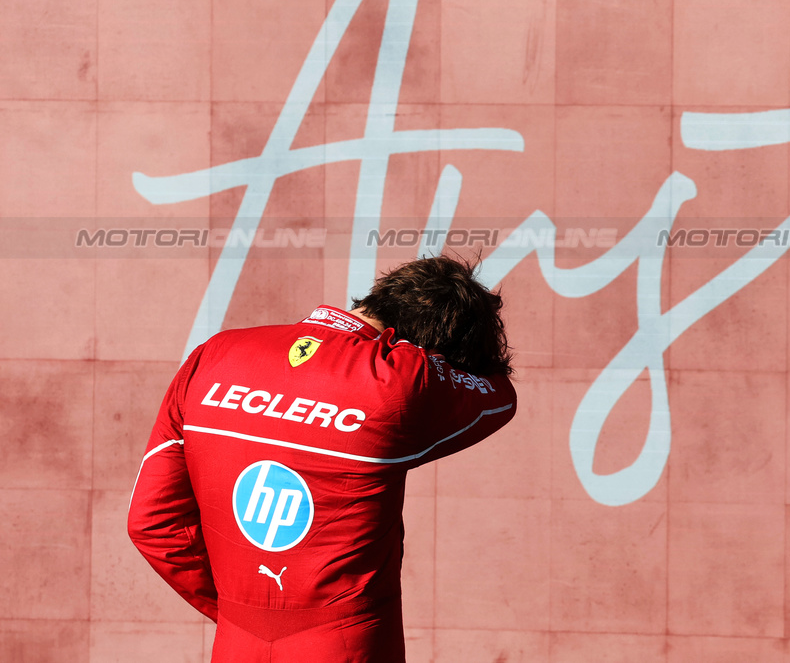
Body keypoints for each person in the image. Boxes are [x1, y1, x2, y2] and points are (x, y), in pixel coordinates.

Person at [127, 255, 516, 662]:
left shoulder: (212, 355)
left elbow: (152, 523)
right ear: (421, 347)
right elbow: (500, 395)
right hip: (348, 641)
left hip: (237, 640)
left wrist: (239, 615)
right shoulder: (401, 379)